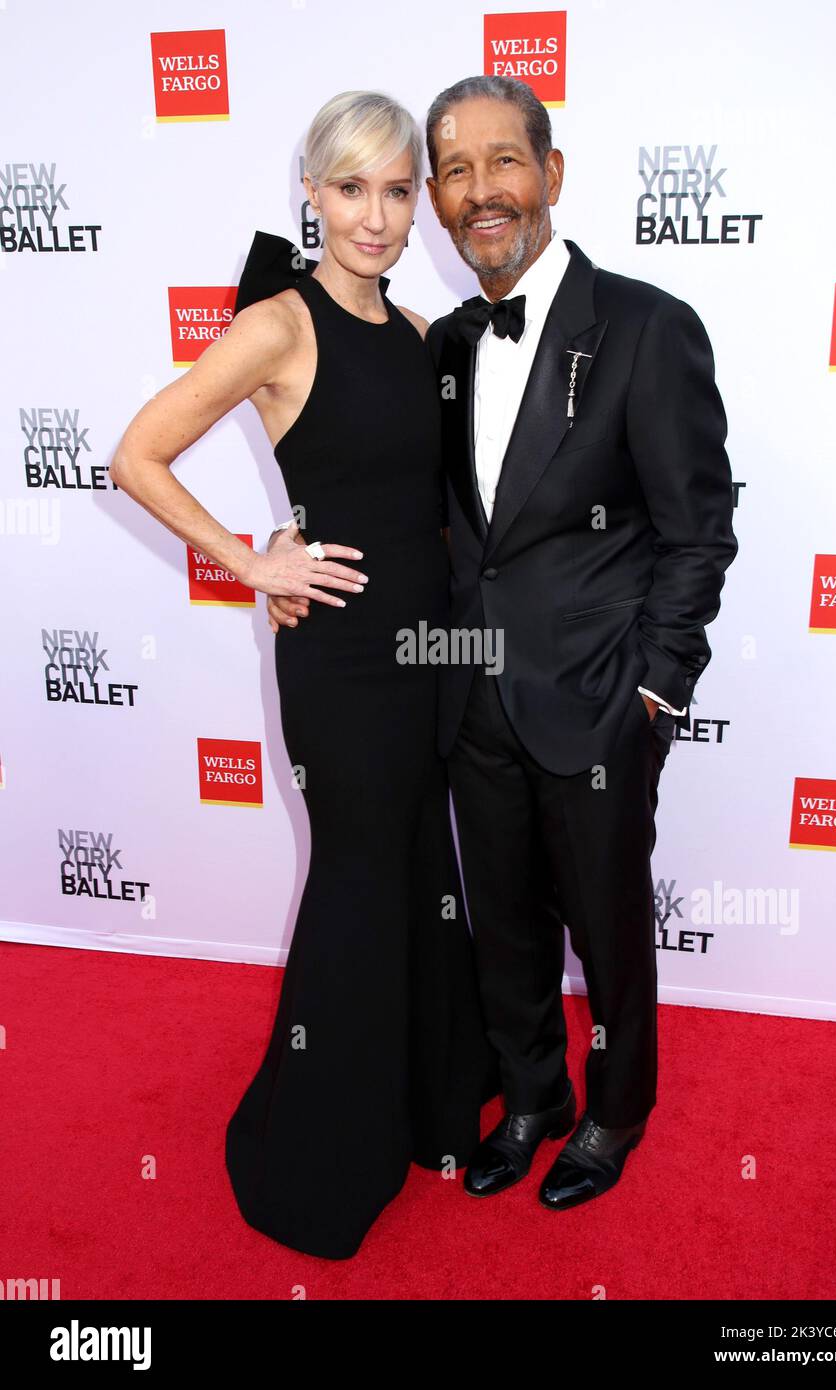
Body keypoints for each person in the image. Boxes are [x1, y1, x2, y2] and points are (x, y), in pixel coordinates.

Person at [270, 74, 738, 1213]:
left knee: (609, 923)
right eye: (456, 171)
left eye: (504, 162)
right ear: (435, 198)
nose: (482, 192)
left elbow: (697, 531)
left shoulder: (644, 326)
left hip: (594, 699)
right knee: (502, 922)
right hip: (463, 695)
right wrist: (283, 539)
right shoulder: (446, 342)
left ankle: (614, 1109)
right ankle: (528, 1095)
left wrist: (656, 693)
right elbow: (389, 485)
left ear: (551, 175)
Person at [109, 89, 498, 1260]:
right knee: (357, 886)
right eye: (351, 189)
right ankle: (314, 1159)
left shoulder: (425, 336)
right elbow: (138, 452)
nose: (375, 216)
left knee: (425, 868)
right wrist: (247, 556)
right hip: (340, 665)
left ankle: (430, 1105)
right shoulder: (279, 324)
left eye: (394, 190)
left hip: (428, 651)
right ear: (312, 194)